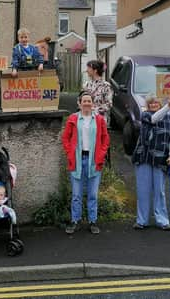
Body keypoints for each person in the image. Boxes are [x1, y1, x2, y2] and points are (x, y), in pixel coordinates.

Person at [62, 91, 110, 235]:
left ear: (93, 103)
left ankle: (92, 221)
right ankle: (75, 221)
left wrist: (101, 155)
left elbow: (105, 139)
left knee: (93, 194)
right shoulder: (73, 118)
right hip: (77, 160)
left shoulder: (100, 120)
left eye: (89, 101)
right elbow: (66, 138)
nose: (87, 103)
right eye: (84, 101)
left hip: (94, 160)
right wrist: (69, 152)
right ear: (79, 103)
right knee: (76, 194)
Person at [132, 94, 170, 231]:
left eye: (156, 102)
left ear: (160, 103)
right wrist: (169, 106)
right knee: (143, 191)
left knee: (159, 191)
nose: (153, 105)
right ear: (148, 105)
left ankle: (162, 221)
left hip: (160, 159)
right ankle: (142, 221)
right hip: (143, 157)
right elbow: (154, 119)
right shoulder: (145, 115)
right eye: (151, 103)